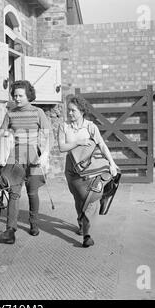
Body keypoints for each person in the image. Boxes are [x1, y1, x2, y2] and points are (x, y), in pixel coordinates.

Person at [57, 95, 119, 248]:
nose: (70, 113)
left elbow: (102, 145)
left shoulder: (91, 127)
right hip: (72, 170)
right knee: (78, 199)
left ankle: (87, 235)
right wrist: (78, 142)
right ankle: (81, 221)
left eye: (73, 111)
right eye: (68, 110)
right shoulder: (64, 126)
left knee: (90, 199)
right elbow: (61, 147)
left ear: (82, 111)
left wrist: (112, 163)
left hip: (91, 169)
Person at [0, 80, 52, 244]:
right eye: (15, 95)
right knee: (13, 193)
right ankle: (10, 230)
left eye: (20, 95)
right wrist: (5, 136)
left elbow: (49, 136)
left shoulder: (38, 112)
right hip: (16, 155)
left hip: (34, 155)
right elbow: (1, 133)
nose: (17, 98)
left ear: (28, 96)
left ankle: (34, 224)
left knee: (32, 192)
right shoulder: (10, 113)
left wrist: (45, 154)